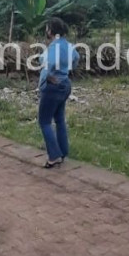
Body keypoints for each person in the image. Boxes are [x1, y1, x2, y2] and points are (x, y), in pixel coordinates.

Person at [38, 17, 80, 169]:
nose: (46, 31)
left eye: (47, 28)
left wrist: (46, 79)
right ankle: (63, 151)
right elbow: (76, 59)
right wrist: (65, 70)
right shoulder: (69, 46)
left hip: (53, 87)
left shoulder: (54, 47)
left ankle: (54, 156)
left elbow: (48, 64)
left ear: (51, 30)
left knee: (44, 121)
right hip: (65, 85)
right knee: (59, 119)